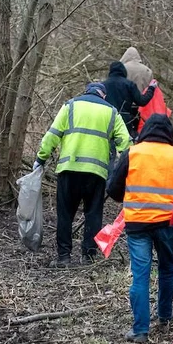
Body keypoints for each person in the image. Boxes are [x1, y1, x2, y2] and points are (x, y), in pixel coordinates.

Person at [106, 114, 173, 343]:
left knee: (140, 275)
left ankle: (140, 330)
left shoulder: (132, 152)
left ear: (145, 131)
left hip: (137, 224)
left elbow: (114, 190)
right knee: (167, 268)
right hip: (168, 223)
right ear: (169, 133)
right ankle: (165, 316)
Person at [35, 82, 131, 267]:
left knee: (65, 214)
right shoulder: (111, 112)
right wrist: (126, 170)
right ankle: (88, 256)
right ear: (103, 95)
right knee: (93, 214)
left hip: (69, 169)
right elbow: (125, 144)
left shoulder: (70, 106)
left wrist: (41, 159)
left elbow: (52, 135)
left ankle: (64, 257)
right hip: (96, 173)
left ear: (86, 91)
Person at [102, 59, 156, 139]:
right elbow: (142, 101)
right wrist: (151, 88)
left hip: (106, 119)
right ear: (124, 71)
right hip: (125, 120)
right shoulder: (129, 85)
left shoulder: (103, 85)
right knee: (125, 145)